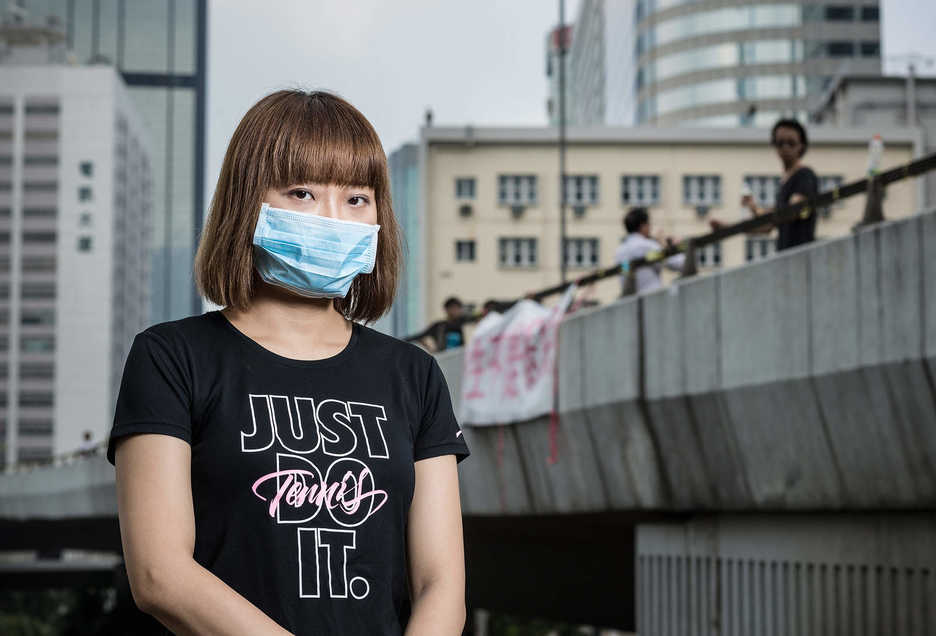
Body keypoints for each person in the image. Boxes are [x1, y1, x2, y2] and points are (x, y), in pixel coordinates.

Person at [108, 90, 470, 635]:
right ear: (247, 203)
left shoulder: (413, 374)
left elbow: (440, 585)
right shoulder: (171, 358)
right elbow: (160, 575)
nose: (334, 218)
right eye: (302, 193)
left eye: (356, 198)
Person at [713, 118, 819, 251]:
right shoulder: (784, 183)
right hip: (786, 258)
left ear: (801, 146)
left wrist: (757, 210)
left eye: (791, 143)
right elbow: (767, 226)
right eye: (780, 143)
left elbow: (791, 211)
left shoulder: (805, 175)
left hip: (801, 258)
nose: (785, 147)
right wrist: (729, 228)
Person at [614, 206, 685, 294]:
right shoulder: (646, 246)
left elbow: (625, 271)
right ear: (643, 226)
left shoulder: (620, 251)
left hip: (630, 301)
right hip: (651, 298)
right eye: (649, 224)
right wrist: (673, 247)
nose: (650, 228)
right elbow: (679, 264)